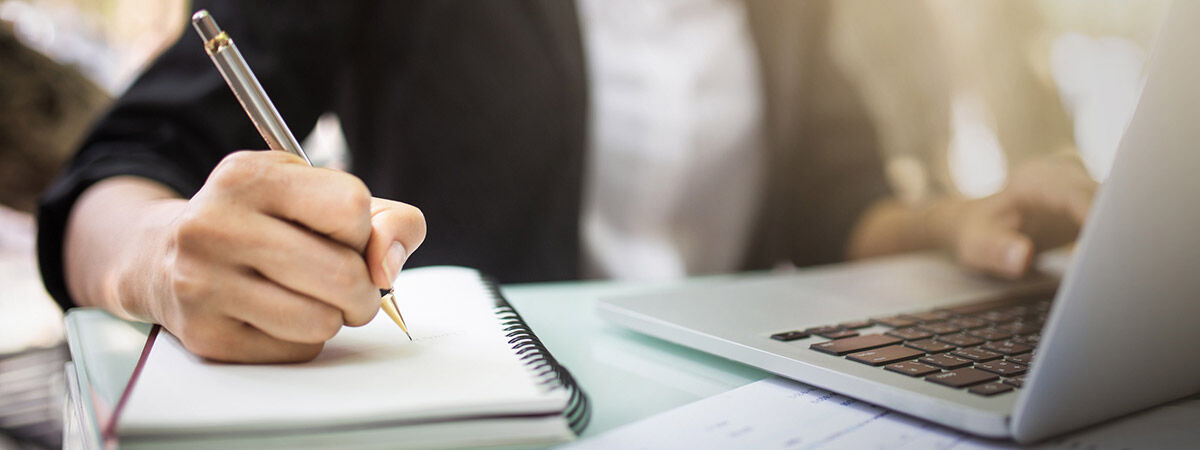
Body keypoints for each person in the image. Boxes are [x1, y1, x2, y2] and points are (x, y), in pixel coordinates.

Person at [37, 1, 1096, 363]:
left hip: (713, 403)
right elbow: (115, 173)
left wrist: (957, 223)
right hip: (477, 408)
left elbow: (832, 202)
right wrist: (156, 263)